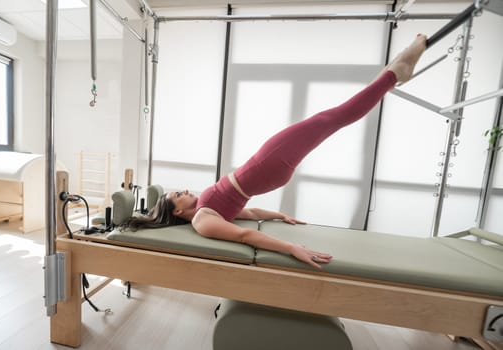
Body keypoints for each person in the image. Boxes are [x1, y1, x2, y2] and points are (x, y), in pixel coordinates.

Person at [126, 35, 427, 268]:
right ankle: (393, 74)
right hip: (266, 165)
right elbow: (246, 235)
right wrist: (291, 247)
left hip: (268, 170)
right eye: (179, 194)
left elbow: (249, 213)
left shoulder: (209, 211)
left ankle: (392, 75)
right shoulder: (202, 220)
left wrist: (280, 216)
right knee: (329, 119)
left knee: (328, 121)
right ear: (178, 211)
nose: (186, 190)